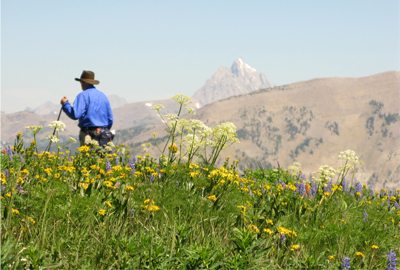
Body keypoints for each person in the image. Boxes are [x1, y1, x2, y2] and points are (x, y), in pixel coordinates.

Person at [60, 70, 114, 146]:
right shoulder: (103, 96)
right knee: (101, 156)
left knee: (87, 157)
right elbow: (110, 119)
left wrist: (65, 104)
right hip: (104, 134)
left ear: (84, 82)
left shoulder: (82, 95)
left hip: (88, 133)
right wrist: (103, 130)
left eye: (81, 82)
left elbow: (75, 115)